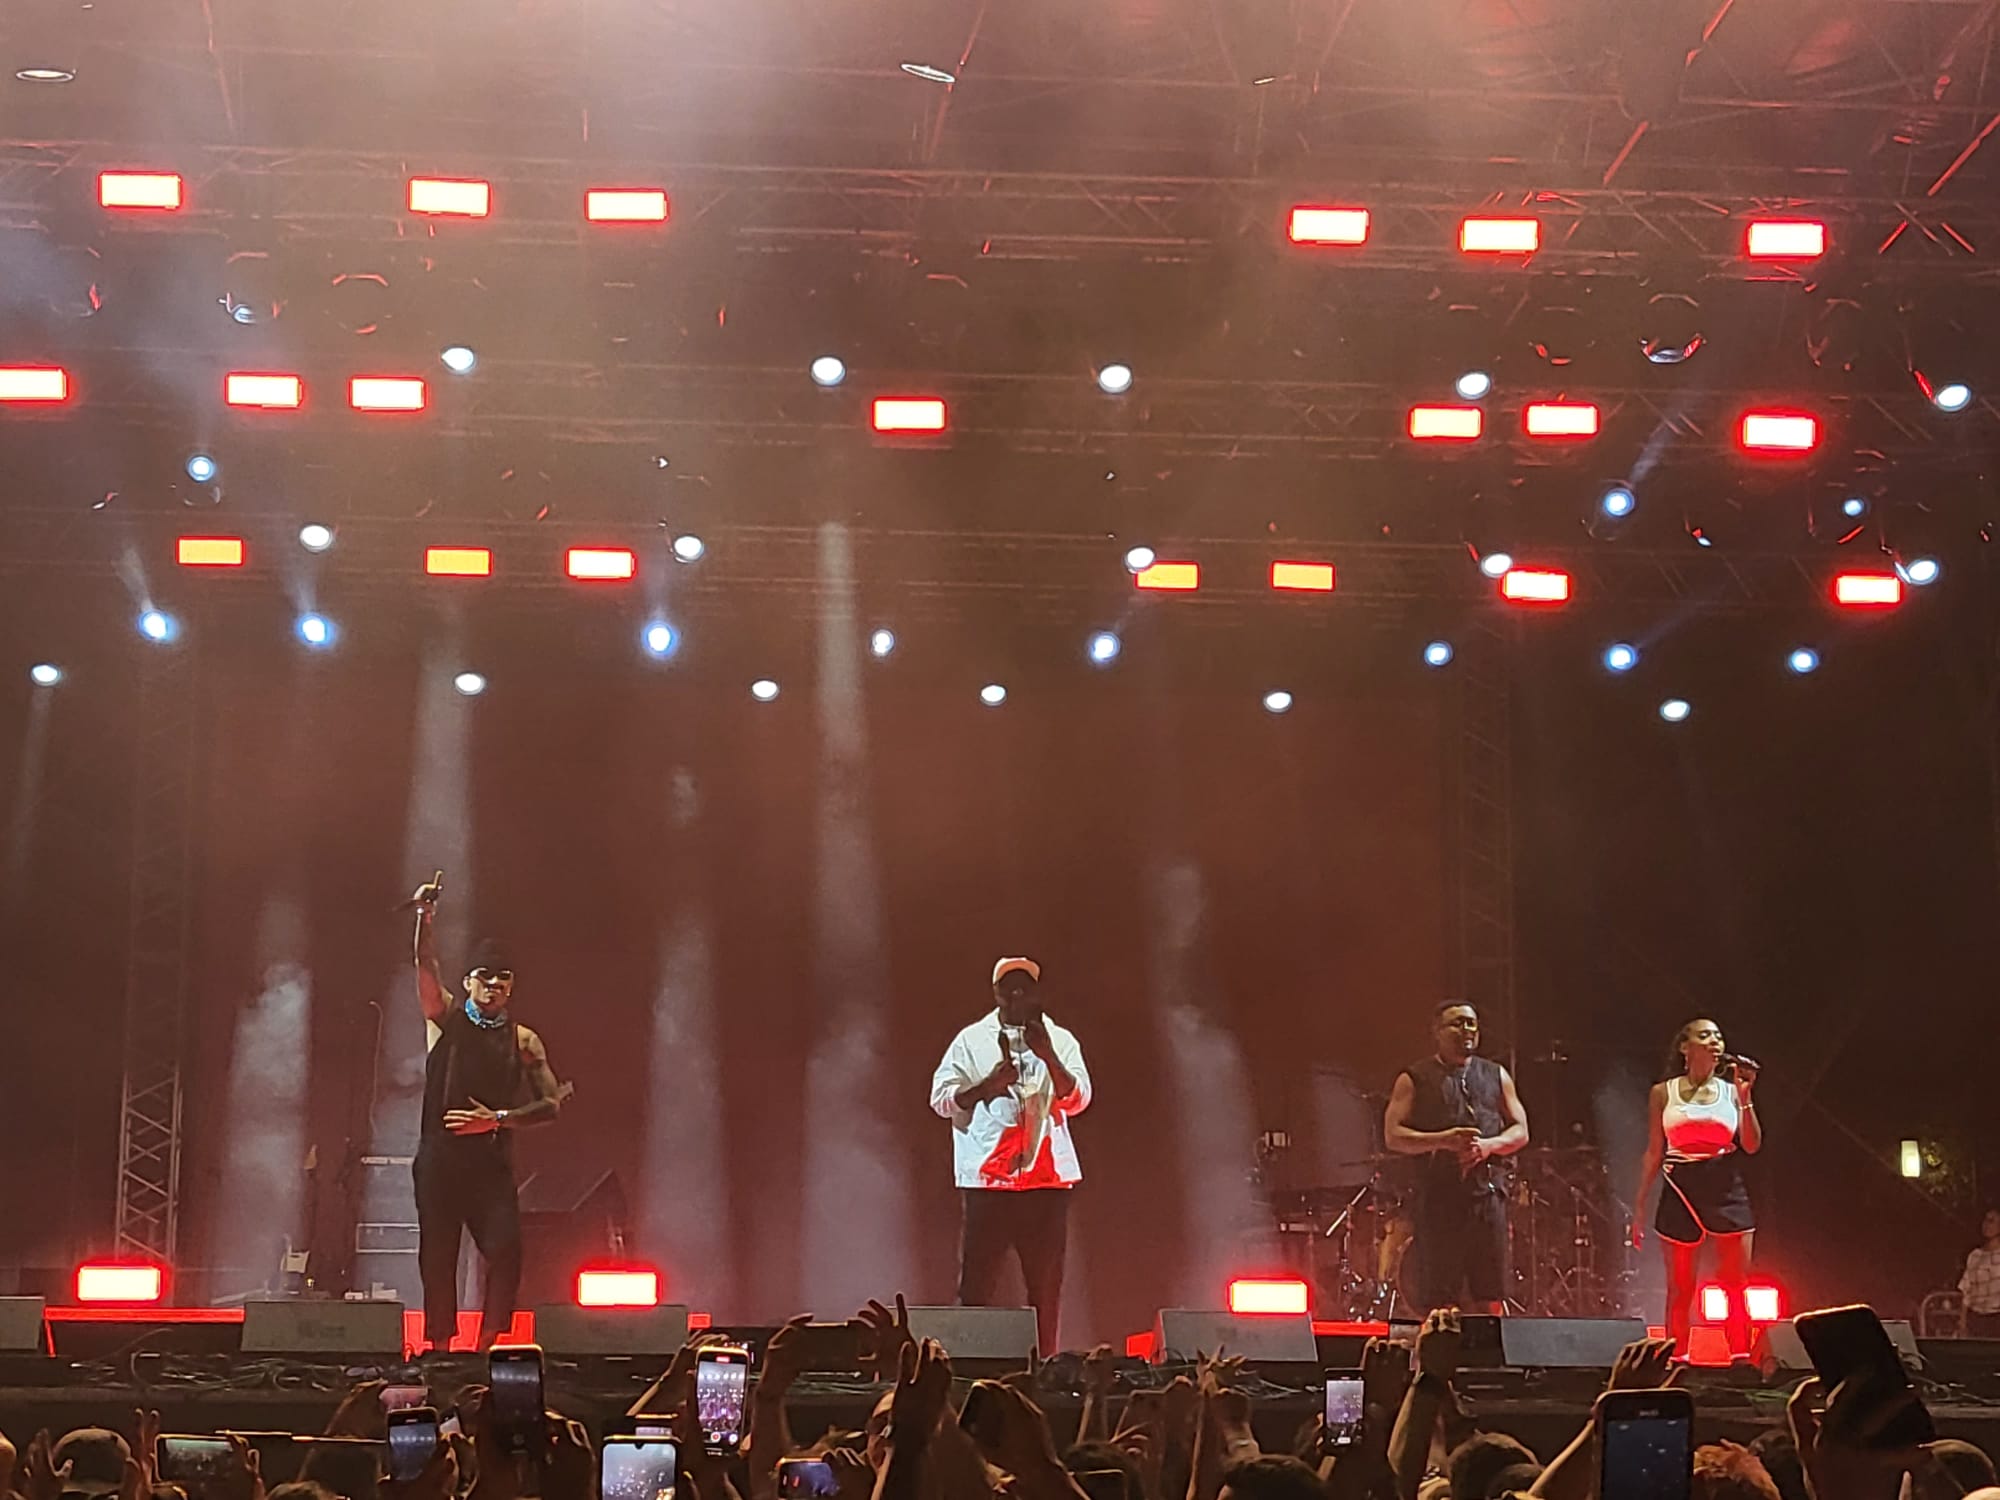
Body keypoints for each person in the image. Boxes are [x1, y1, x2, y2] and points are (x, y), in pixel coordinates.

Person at [409, 875, 564, 1352]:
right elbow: (425, 967)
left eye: (503, 978)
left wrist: (495, 1119)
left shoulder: (523, 1040)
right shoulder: (446, 1020)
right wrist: (425, 918)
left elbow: (550, 1105)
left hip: (489, 1164)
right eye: (485, 976)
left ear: (511, 987)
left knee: (506, 1251)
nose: (494, 984)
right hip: (440, 1161)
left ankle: (488, 1344)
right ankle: (440, 1347)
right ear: (468, 982)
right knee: (438, 1255)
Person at [929, 956, 1092, 1359]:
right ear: (996, 993)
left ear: (1037, 992)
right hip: (989, 1184)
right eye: (1009, 987)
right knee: (976, 1289)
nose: (1017, 995)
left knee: (1045, 1291)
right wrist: (986, 1086)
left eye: (1025, 987)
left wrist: (1048, 1055)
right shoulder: (971, 1040)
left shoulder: (1060, 1039)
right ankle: (968, 1369)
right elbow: (940, 1099)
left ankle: (1045, 1368)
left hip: (1046, 1184)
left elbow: (1079, 1099)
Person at [1382, 1001, 1529, 1314]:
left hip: (1486, 1196)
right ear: (1437, 1032)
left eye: (1471, 1023)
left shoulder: (1496, 1074)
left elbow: (1521, 1130)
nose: (1466, 1030)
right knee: (1440, 1295)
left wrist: (1489, 1146)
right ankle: (1442, 1342)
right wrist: (1443, 1140)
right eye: (1457, 1023)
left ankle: (1491, 1344)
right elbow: (1393, 1135)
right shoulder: (1415, 1078)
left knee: (1490, 1293)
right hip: (1439, 1198)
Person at [1630, 1017, 1762, 1355]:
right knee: (1680, 1287)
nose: (1715, 1041)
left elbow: (1751, 1145)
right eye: (1705, 1035)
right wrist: (1640, 1206)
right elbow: (1653, 1151)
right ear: (1684, 1047)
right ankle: (1676, 1359)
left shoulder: (1732, 1091)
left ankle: (1740, 1360)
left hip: (1724, 1182)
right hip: (1680, 1184)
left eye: (1718, 1036)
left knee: (1735, 1284)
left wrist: (1745, 1096)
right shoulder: (1663, 1092)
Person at [1959, 1208, 2000, 1337]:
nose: (1987, 1225)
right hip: (1976, 1318)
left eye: (1991, 1221)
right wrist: (1962, 1323)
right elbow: (1967, 1291)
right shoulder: (1975, 1256)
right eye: (1985, 1220)